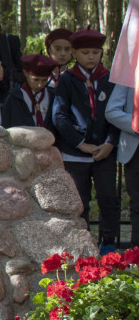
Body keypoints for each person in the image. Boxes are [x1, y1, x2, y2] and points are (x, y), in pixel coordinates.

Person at [52, 29, 120, 254]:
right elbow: (59, 116)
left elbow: (118, 112)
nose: (91, 57)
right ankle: (84, 246)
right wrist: (80, 143)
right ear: (74, 53)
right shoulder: (66, 80)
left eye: (95, 52)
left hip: (104, 152)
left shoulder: (110, 78)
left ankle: (109, 243)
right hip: (75, 152)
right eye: (85, 52)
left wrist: (110, 143)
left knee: (109, 197)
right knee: (79, 201)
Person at [105, 83, 138, 250]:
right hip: (135, 150)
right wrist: (136, 124)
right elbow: (111, 111)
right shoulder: (128, 76)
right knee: (137, 206)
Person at [1, 54, 59, 132]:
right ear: (25, 73)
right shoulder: (14, 97)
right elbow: (5, 125)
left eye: (44, 80)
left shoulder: (53, 96)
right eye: (36, 80)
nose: (40, 85)